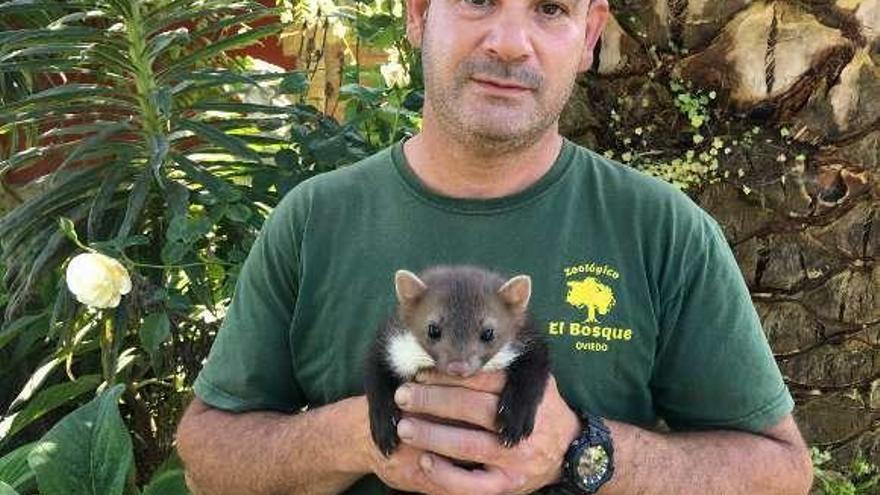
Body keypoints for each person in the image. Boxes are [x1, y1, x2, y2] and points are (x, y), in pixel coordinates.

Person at [175, 0, 815, 493]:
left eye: (550, 9)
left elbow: (781, 473)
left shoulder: (664, 231)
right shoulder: (315, 220)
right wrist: (355, 438)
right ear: (419, 15)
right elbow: (207, 456)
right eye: (478, 0)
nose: (510, 44)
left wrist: (581, 449)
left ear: (590, 35)